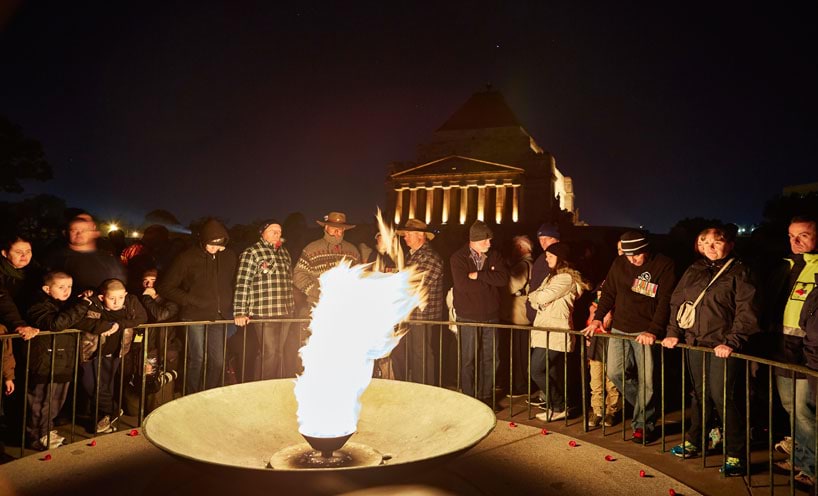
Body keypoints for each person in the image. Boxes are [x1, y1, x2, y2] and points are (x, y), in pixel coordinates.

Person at [662, 224, 759, 477]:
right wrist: (673, 332)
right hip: (695, 342)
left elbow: (746, 311)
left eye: (716, 242)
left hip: (722, 346)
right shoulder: (695, 268)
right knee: (700, 395)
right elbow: (677, 301)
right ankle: (696, 440)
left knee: (724, 397)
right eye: (704, 242)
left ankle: (736, 454)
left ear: (730, 244)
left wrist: (733, 341)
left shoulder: (741, 271)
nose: (709, 247)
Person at [582, 230, 676, 444]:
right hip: (620, 328)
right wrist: (598, 318)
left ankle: (643, 425)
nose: (633, 259)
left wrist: (654, 330)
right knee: (615, 372)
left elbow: (665, 301)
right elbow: (608, 293)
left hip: (645, 331)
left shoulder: (663, 264)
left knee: (647, 380)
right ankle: (648, 410)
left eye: (637, 254)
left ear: (646, 249)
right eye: (628, 254)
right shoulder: (619, 263)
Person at [158, 219, 238, 394]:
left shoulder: (229, 257)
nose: (214, 248)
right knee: (197, 359)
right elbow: (166, 287)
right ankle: (191, 394)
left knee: (217, 361)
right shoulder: (187, 258)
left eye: (218, 245)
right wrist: (191, 300)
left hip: (219, 317)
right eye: (210, 244)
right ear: (203, 240)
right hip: (194, 315)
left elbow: (232, 283)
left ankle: (208, 394)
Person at [767, 216, 818, 486]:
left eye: (803, 236)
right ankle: (800, 457)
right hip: (781, 350)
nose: (795, 242)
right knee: (790, 407)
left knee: (804, 412)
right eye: (791, 235)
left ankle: (811, 469)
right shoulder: (785, 265)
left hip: (806, 354)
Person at [25, 271, 94, 449]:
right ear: (47, 289)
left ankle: (47, 430)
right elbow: (55, 324)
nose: (66, 291)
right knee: (41, 402)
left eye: (69, 286)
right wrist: (81, 305)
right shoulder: (38, 304)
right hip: (45, 361)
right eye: (61, 287)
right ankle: (37, 436)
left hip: (64, 359)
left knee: (57, 400)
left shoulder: (69, 304)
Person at [527, 242, 589, 421]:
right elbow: (534, 295)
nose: (546, 258)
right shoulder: (551, 277)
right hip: (546, 330)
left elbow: (541, 296)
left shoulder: (565, 278)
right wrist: (538, 299)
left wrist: (539, 299)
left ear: (561, 259)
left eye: (550, 256)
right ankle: (558, 407)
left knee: (537, 370)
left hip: (556, 331)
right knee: (551, 371)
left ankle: (561, 405)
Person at [450, 220, 509, 406]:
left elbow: (503, 279)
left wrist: (479, 275)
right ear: (474, 240)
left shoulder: (495, 256)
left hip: (491, 315)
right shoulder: (458, 258)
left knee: (492, 359)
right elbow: (462, 285)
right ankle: (469, 399)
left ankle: (485, 398)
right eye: (485, 240)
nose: (489, 244)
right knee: (468, 359)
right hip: (467, 316)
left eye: (490, 239)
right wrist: (489, 280)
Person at [80, 278, 147, 433]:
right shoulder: (93, 301)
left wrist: (120, 325)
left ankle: (103, 421)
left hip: (117, 350)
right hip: (91, 350)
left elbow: (142, 318)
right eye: (112, 298)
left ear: (125, 294)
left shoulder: (131, 302)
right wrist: (105, 326)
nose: (117, 302)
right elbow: (83, 320)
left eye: (120, 297)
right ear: (103, 297)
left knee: (107, 385)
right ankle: (113, 409)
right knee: (90, 384)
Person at [233, 219, 295, 380]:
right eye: (272, 231)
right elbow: (242, 283)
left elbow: (290, 281)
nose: (277, 234)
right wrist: (240, 311)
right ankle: (262, 389)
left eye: (279, 231)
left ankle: (276, 386)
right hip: (264, 311)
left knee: (279, 352)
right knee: (269, 352)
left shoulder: (284, 253)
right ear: (262, 233)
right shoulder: (252, 252)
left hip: (285, 311)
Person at [396, 219, 443, 385]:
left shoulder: (430, 258)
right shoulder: (413, 256)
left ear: (420, 236)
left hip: (422, 315)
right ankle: (417, 386)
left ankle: (425, 388)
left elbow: (416, 286)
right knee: (414, 352)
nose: (405, 238)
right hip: (411, 313)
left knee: (421, 353)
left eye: (408, 235)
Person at [293, 211, 362, 307]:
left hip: (345, 304)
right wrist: (316, 291)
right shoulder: (311, 249)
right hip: (319, 304)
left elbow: (359, 275)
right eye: (334, 227)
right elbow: (298, 274)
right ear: (326, 227)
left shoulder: (352, 251)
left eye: (340, 228)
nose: (337, 231)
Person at [585, 281, 622, 428]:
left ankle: (611, 411)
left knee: (611, 382)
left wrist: (609, 313)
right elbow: (590, 324)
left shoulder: (617, 308)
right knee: (595, 381)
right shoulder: (593, 307)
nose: (601, 296)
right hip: (597, 344)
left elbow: (607, 324)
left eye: (604, 294)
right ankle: (597, 411)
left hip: (612, 343)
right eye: (599, 294)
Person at [501, 235, 534, 397]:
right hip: (518, 316)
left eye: (515, 247)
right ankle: (518, 384)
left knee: (519, 354)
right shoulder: (527, 264)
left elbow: (511, 285)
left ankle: (520, 386)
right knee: (518, 352)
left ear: (522, 248)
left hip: (518, 316)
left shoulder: (524, 265)